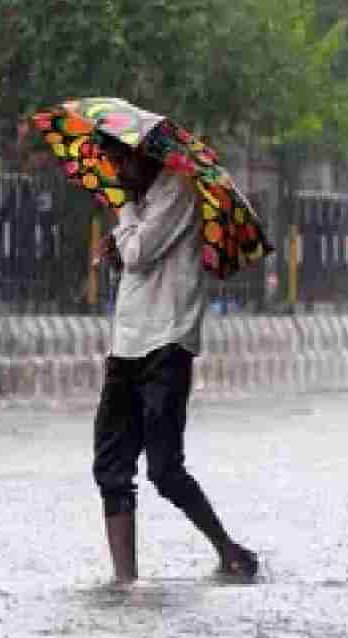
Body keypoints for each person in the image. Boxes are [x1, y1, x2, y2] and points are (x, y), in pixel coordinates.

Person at [91, 138, 259, 583]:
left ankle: (230, 551)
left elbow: (139, 253)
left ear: (141, 155)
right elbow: (132, 259)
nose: (116, 172)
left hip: (167, 344)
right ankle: (124, 581)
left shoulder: (178, 192)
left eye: (119, 161)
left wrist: (122, 216)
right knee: (110, 468)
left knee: (164, 469)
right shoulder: (143, 200)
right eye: (111, 163)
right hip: (126, 344)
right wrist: (117, 245)